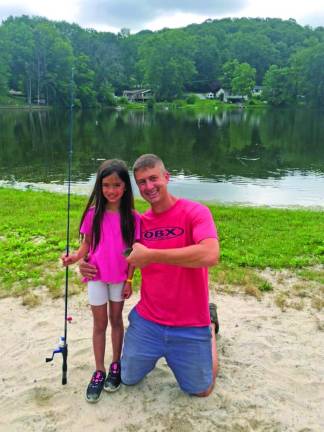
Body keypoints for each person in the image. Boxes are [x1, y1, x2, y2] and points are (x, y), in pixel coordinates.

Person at [80, 154, 219, 397]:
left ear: (167, 177)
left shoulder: (195, 211)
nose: (149, 186)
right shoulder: (138, 222)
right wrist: (85, 261)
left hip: (189, 322)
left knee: (201, 390)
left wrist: (153, 255)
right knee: (128, 378)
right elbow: (110, 249)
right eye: (142, 182)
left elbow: (210, 254)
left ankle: (210, 326)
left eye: (154, 178)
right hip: (149, 321)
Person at [62, 159, 140, 403]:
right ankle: (99, 370)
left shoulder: (134, 217)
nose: (111, 190)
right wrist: (74, 258)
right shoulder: (92, 214)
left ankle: (115, 365)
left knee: (116, 321)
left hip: (119, 278)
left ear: (125, 187)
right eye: (106, 185)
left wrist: (129, 279)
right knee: (99, 324)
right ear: (100, 186)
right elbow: (85, 246)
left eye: (117, 185)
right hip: (95, 276)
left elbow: (134, 253)